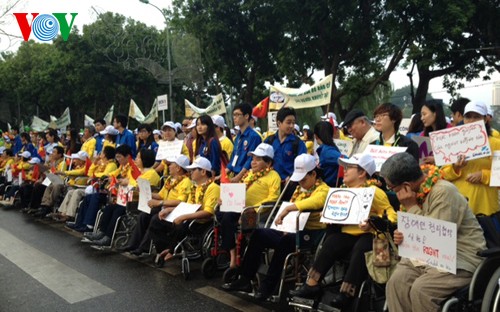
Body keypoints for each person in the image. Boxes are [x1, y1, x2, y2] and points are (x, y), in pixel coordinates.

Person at [379, 152, 486, 312]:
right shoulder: (413, 194)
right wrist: (402, 236)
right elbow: (415, 236)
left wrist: (411, 207)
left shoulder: (443, 192)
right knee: (396, 282)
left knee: (421, 290)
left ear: (406, 185)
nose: (392, 191)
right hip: (424, 256)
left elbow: (434, 239)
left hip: (458, 256)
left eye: (392, 188)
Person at [289, 154, 396, 308]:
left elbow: (390, 214)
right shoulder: (341, 192)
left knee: (362, 245)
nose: (344, 170)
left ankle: (347, 293)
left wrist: (375, 223)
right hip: (348, 235)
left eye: (349, 167)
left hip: (371, 236)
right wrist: (328, 216)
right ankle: (312, 284)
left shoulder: (374, 192)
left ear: (361, 173)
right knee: (332, 241)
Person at [222, 154, 329, 301]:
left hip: (310, 233)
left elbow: (316, 202)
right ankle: (245, 278)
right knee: (259, 234)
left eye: (303, 179)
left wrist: (289, 208)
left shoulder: (323, 189)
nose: (301, 183)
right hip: (289, 228)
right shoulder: (300, 189)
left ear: (314, 174)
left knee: (285, 242)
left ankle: (268, 287)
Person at [219, 143, 281, 268]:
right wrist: (225, 198)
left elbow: (273, 198)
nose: (253, 162)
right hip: (241, 207)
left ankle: (233, 255)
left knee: (228, 217)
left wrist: (253, 209)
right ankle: (232, 251)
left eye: (258, 159)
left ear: (268, 163)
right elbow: (239, 189)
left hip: (256, 213)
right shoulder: (250, 173)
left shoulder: (274, 176)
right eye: (253, 159)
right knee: (219, 211)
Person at [148, 157, 220, 266]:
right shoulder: (195, 187)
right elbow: (187, 206)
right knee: (156, 220)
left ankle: (171, 249)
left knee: (179, 225)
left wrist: (184, 217)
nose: (190, 172)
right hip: (189, 217)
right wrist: (169, 210)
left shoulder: (213, 188)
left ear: (203, 172)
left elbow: (208, 212)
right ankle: (166, 249)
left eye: (193, 170)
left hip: (201, 222)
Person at [82, 148, 160, 246]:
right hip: (129, 199)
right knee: (109, 208)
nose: (136, 159)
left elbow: (139, 186)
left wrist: (127, 182)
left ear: (145, 159)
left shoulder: (152, 174)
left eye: (139, 157)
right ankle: (101, 233)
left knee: (118, 211)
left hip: (139, 202)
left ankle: (108, 237)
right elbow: (131, 181)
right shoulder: (140, 171)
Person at [118, 155, 192, 255]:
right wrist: (145, 192)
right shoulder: (170, 179)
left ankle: (144, 247)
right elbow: (160, 195)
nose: (168, 167)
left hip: (174, 210)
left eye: (171, 165)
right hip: (164, 206)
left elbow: (179, 201)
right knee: (143, 215)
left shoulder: (186, 182)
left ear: (178, 168)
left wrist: (159, 203)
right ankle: (133, 244)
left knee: (154, 218)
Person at [442, 101, 500, 216]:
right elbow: (443, 175)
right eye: (468, 117)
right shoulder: (452, 143)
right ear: (463, 119)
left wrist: (483, 175)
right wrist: (455, 167)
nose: (472, 121)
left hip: (486, 209)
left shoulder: (496, 144)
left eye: (476, 117)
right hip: (458, 206)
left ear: (485, 119)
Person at [59, 146, 117, 223]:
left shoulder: (112, 165)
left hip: (100, 189)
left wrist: (95, 174)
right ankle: (62, 213)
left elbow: (104, 175)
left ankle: (70, 215)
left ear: (106, 154)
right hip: (93, 186)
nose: (100, 153)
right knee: (71, 192)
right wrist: (95, 163)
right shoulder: (101, 163)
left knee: (77, 192)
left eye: (102, 152)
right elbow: (90, 173)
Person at [264, 107, 307, 199]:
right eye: (288, 122)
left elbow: (303, 166)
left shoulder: (298, 143)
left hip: (289, 186)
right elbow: (261, 161)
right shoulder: (269, 141)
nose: (292, 126)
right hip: (270, 185)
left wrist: (292, 177)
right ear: (279, 123)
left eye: (293, 122)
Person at [226, 103, 262, 182]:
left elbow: (251, 160)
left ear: (246, 116)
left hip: (246, 177)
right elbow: (233, 157)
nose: (234, 117)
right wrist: (224, 173)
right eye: (234, 115)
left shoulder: (254, 137)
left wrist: (239, 177)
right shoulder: (237, 137)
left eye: (237, 114)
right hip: (235, 175)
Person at [420, 100, 449, 164]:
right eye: (421, 115)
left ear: (435, 113)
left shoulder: (451, 131)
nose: (422, 118)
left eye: (424, 114)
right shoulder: (422, 135)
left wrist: (437, 159)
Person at [314, 121, 341, 187]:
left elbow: (345, 160)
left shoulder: (327, 151)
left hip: (332, 187)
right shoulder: (327, 148)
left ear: (315, 136)